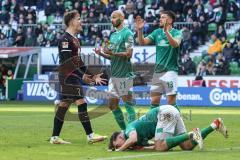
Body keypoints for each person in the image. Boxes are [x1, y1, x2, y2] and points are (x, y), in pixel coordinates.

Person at [50, 10, 107, 144]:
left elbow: (78, 62)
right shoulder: (65, 39)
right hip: (68, 77)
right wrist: (83, 76)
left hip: (72, 76)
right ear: (71, 22)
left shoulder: (75, 40)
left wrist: (91, 75)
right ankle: (90, 135)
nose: (81, 22)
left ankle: (55, 137)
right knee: (82, 102)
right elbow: (67, 61)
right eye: (79, 19)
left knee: (64, 105)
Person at [109, 105, 228, 151]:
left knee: (161, 147)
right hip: (170, 112)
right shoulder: (133, 142)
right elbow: (151, 146)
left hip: (164, 113)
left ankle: (193, 133)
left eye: (116, 144)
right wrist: (139, 148)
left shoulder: (128, 130)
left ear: (120, 136)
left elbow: (133, 138)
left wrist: (120, 150)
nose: (118, 146)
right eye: (117, 147)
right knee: (186, 146)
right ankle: (215, 125)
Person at [93, 10, 136, 130]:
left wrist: (112, 52)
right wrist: (101, 53)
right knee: (112, 105)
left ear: (122, 17)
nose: (112, 20)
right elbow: (112, 55)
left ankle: (133, 132)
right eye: (111, 18)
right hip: (114, 75)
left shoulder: (128, 33)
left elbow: (129, 54)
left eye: (114, 17)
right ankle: (124, 131)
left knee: (128, 104)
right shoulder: (113, 35)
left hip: (124, 75)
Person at [135, 10, 182, 110]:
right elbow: (142, 42)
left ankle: (179, 124)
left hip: (170, 71)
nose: (160, 19)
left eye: (163, 17)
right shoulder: (156, 32)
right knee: (154, 101)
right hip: (157, 72)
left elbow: (175, 44)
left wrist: (167, 32)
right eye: (160, 17)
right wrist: (140, 31)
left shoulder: (177, 32)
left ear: (170, 20)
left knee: (171, 102)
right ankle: (153, 124)